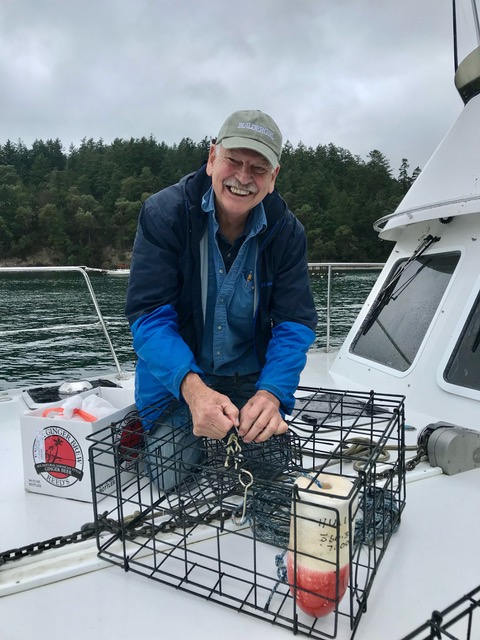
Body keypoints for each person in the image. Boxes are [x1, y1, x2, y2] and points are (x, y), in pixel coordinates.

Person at [125, 109, 318, 491]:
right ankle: (165, 425)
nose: (244, 178)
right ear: (213, 158)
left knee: (271, 471)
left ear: (273, 178)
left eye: (259, 168)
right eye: (234, 160)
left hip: (248, 374)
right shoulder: (165, 213)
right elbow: (149, 318)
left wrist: (272, 392)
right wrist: (194, 391)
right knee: (168, 477)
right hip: (182, 377)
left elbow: (295, 323)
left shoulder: (287, 232)